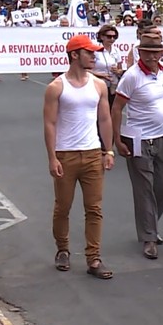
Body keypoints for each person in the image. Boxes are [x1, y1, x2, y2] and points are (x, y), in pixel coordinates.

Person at [43, 35, 116, 279]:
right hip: (66, 154)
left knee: (94, 208)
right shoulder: (57, 87)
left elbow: (104, 119)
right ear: (75, 55)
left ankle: (93, 258)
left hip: (93, 153)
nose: (94, 56)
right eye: (90, 53)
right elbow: (50, 123)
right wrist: (52, 157)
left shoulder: (98, 85)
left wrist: (109, 149)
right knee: (63, 207)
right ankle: (62, 249)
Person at [111, 31, 163, 260]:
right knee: (144, 189)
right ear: (140, 52)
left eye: (156, 53)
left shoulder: (162, 72)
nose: (152, 57)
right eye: (147, 53)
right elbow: (116, 108)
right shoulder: (132, 76)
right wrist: (116, 140)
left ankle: (150, 223)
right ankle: (149, 237)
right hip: (137, 137)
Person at [92, 24, 124, 106]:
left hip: (113, 86)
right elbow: (85, 69)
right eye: (109, 36)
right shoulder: (94, 50)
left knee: (111, 110)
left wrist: (118, 71)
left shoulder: (116, 51)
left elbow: (120, 69)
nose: (112, 39)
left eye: (114, 37)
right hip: (98, 85)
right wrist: (100, 75)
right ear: (102, 37)